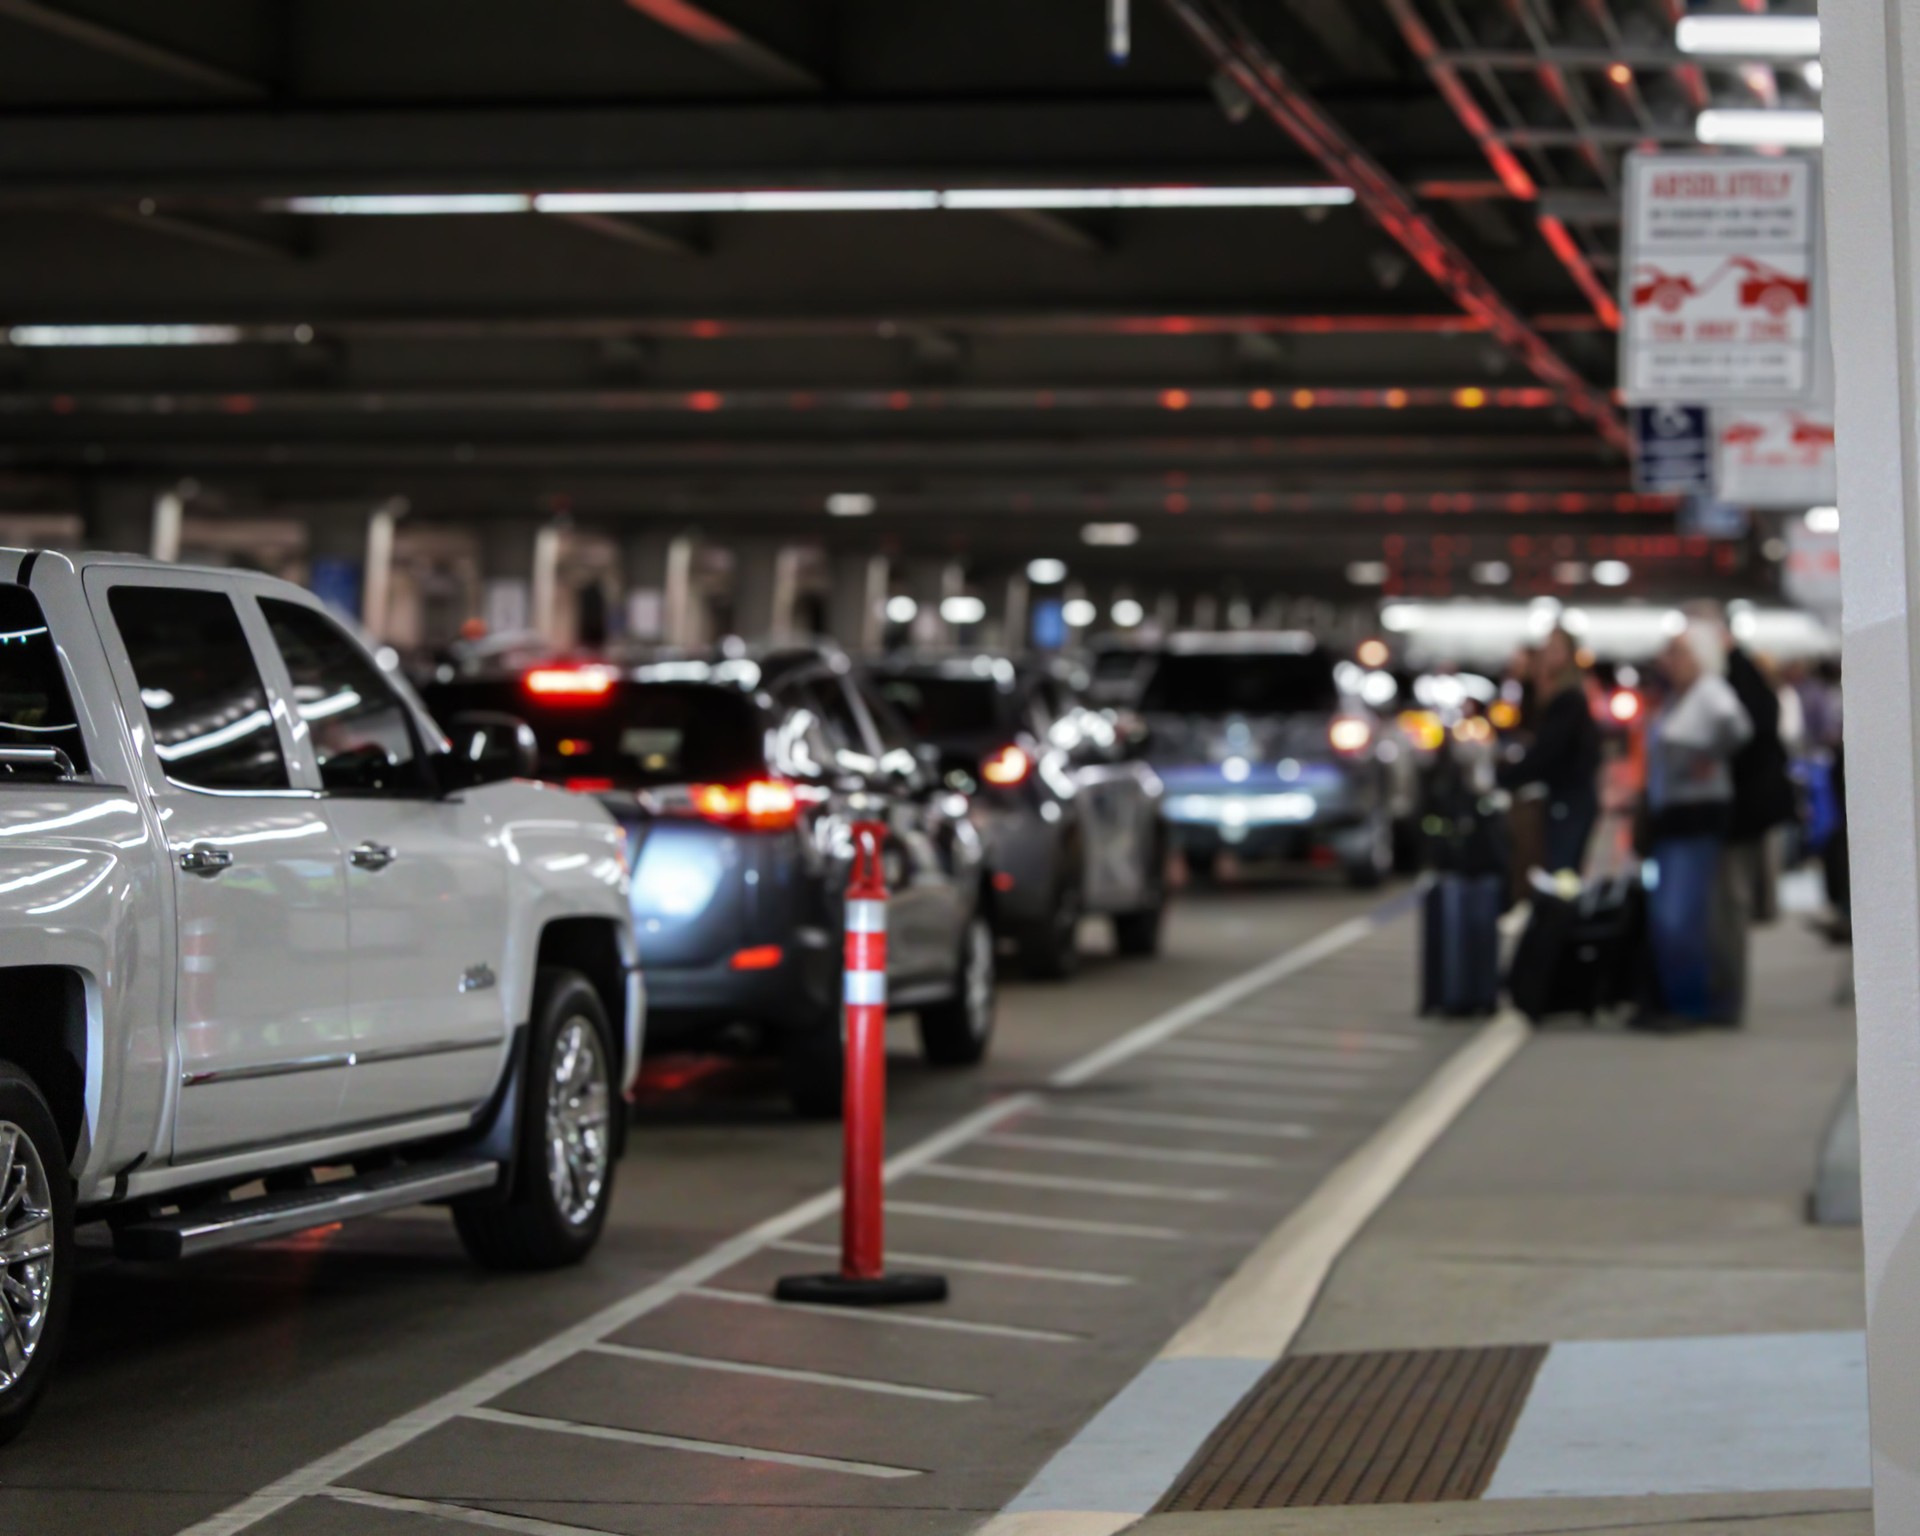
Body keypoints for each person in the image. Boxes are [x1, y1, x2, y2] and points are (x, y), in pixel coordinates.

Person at [1644, 618, 1752, 1024]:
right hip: (1675, 818)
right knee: (1673, 914)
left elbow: (1737, 728)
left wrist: (1707, 755)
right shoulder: (1680, 698)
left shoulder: (1709, 693)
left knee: (1680, 916)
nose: (1670, 662)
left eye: (1679, 653)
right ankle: (1679, 1000)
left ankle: (1690, 1004)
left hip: (1695, 819)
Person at [1498, 627, 1601, 875]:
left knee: (1561, 873)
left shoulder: (1569, 699)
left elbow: (1547, 753)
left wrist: (1505, 777)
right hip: (1565, 797)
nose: (1547, 655)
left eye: (1555, 648)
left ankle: (1563, 915)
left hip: (1570, 798)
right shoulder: (1549, 695)